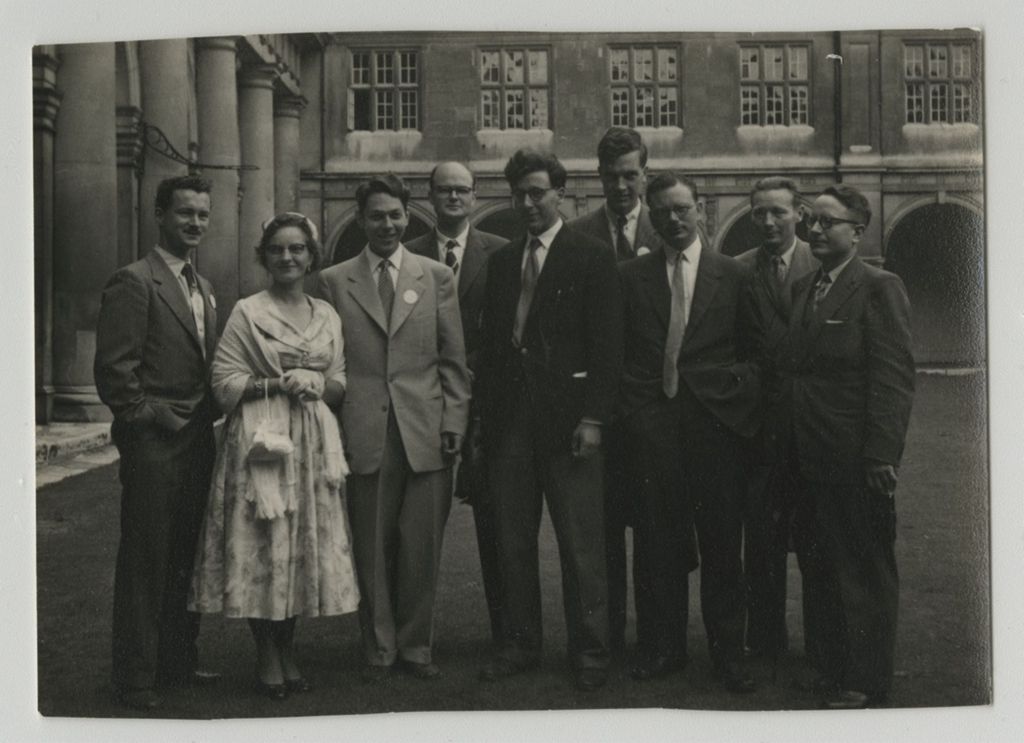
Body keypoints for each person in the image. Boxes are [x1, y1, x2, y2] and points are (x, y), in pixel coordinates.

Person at [188, 212, 359, 700]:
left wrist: (321, 383)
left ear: (311, 256)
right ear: (265, 256)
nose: (288, 257)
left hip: (311, 445)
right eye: (278, 249)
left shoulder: (326, 314)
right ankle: (266, 654)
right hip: (262, 444)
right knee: (264, 547)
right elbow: (222, 384)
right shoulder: (248, 311)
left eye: (297, 249)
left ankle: (288, 648)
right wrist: (276, 382)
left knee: (301, 548)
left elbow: (341, 381)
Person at [477, 149, 623, 691]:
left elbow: (609, 348)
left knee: (581, 542)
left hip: (570, 424)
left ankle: (590, 649)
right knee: (513, 541)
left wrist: (593, 418)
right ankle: (519, 643)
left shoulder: (591, 255)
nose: (528, 202)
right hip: (511, 423)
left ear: (560, 193)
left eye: (538, 192)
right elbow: (493, 351)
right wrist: (484, 426)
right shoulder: (500, 261)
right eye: (519, 194)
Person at [316, 174, 471, 682]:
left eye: (395, 215)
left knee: (421, 544)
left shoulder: (435, 277)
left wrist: (454, 421)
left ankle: (416, 646)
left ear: (409, 217)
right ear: (361, 220)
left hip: (426, 427)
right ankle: (379, 646)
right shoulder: (335, 281)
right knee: (372, 544)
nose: (387, 224)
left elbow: (453, 360)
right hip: (363, 426)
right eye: (376, 215)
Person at [619, 172, 760, 692]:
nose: (673, 220)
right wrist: (638, 415)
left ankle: (729, 655)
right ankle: (663, 648)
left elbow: (755, 355)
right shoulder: (631, 277)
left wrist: (729, 403)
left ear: (700, 207)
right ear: (650, 217)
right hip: (654, 432)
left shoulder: (734, 275)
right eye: (661, 213)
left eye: (681, 209)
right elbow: (626, 357)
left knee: (723, 546)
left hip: (715, 434)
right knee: (657, 546)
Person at [776, 184, 914, 709]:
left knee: (863, 569)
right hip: (807, 456)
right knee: (819, 567)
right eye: (811, 220)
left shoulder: (880, 287)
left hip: (856, 459)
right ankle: (830, 666)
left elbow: (894, 378)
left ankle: (865, 679)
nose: (813, 230)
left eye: (826, 223)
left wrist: (882, 455)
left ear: (857, 231)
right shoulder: (804, 288)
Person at [94, 174, 221, 710]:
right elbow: (115, 373)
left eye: (202, 215)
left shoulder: (203, 286)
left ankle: (177, 661)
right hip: (154, 443)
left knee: (185, 557)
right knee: (147, 559)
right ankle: (136, 677)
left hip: (198, 443)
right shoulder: (135, 280)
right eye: (185, 213)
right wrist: (153, 417)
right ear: (160, 215)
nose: (195, 223)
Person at [566, 126, 666, 653]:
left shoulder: (668, 227)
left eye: (631, 175)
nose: (622, 186)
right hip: (597, 413)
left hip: (653, 412)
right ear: (598, 178)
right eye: (611, 176)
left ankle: (653, 643)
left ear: (645, 174)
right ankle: (601, 642)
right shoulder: (579, 234)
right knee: (598, 537)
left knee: (653, 534)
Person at [406, 161, 509, 646]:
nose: (453, 198)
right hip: (424, 399)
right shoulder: (408, 256)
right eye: (443, 190)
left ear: (474, 196)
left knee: (496, 523)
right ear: (429, 196)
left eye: (461, 190)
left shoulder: (501, 254)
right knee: (416, 526)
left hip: (487, 399)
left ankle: (506, 635)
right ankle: (412, 636)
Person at [735, 177, 819, 664]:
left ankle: (821, 646)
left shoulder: (821, 261)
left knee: (815, 545)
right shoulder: (738, 269)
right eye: (759, 213)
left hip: (810, 430)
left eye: (778, 213)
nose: (768, 222)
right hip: (760, 433)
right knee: (762, 548)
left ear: (799, 214)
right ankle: (766, 643)